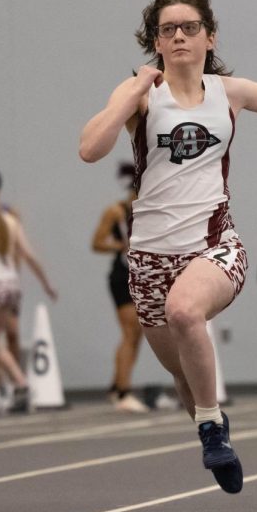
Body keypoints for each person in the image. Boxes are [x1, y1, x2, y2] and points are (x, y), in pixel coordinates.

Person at [79, 0, 257, 493]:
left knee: (186, 312)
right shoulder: (143, 95)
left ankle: (210, 429)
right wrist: (132, 89)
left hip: (214, 245)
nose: (179, 36)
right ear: (156, 42)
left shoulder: (230, 93)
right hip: (148, 257)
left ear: (210, 36)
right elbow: (90, 149)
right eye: (168, 30)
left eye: (189, 27)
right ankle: (211, 421)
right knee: (183, 373)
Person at [0, 169, 57, 415]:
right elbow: (28, 255)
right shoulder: (10, 219)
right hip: (10, 285)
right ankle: (17, 384)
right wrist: (46, 284)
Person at [91, 162, 148, 413]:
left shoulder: (151, 209)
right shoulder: (116, 211)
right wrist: (120, 247)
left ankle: (116, 386)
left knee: (139, 334)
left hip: (144, 275)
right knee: (130, 331)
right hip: (122, 275)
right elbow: (96, 242)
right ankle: (124, 391)